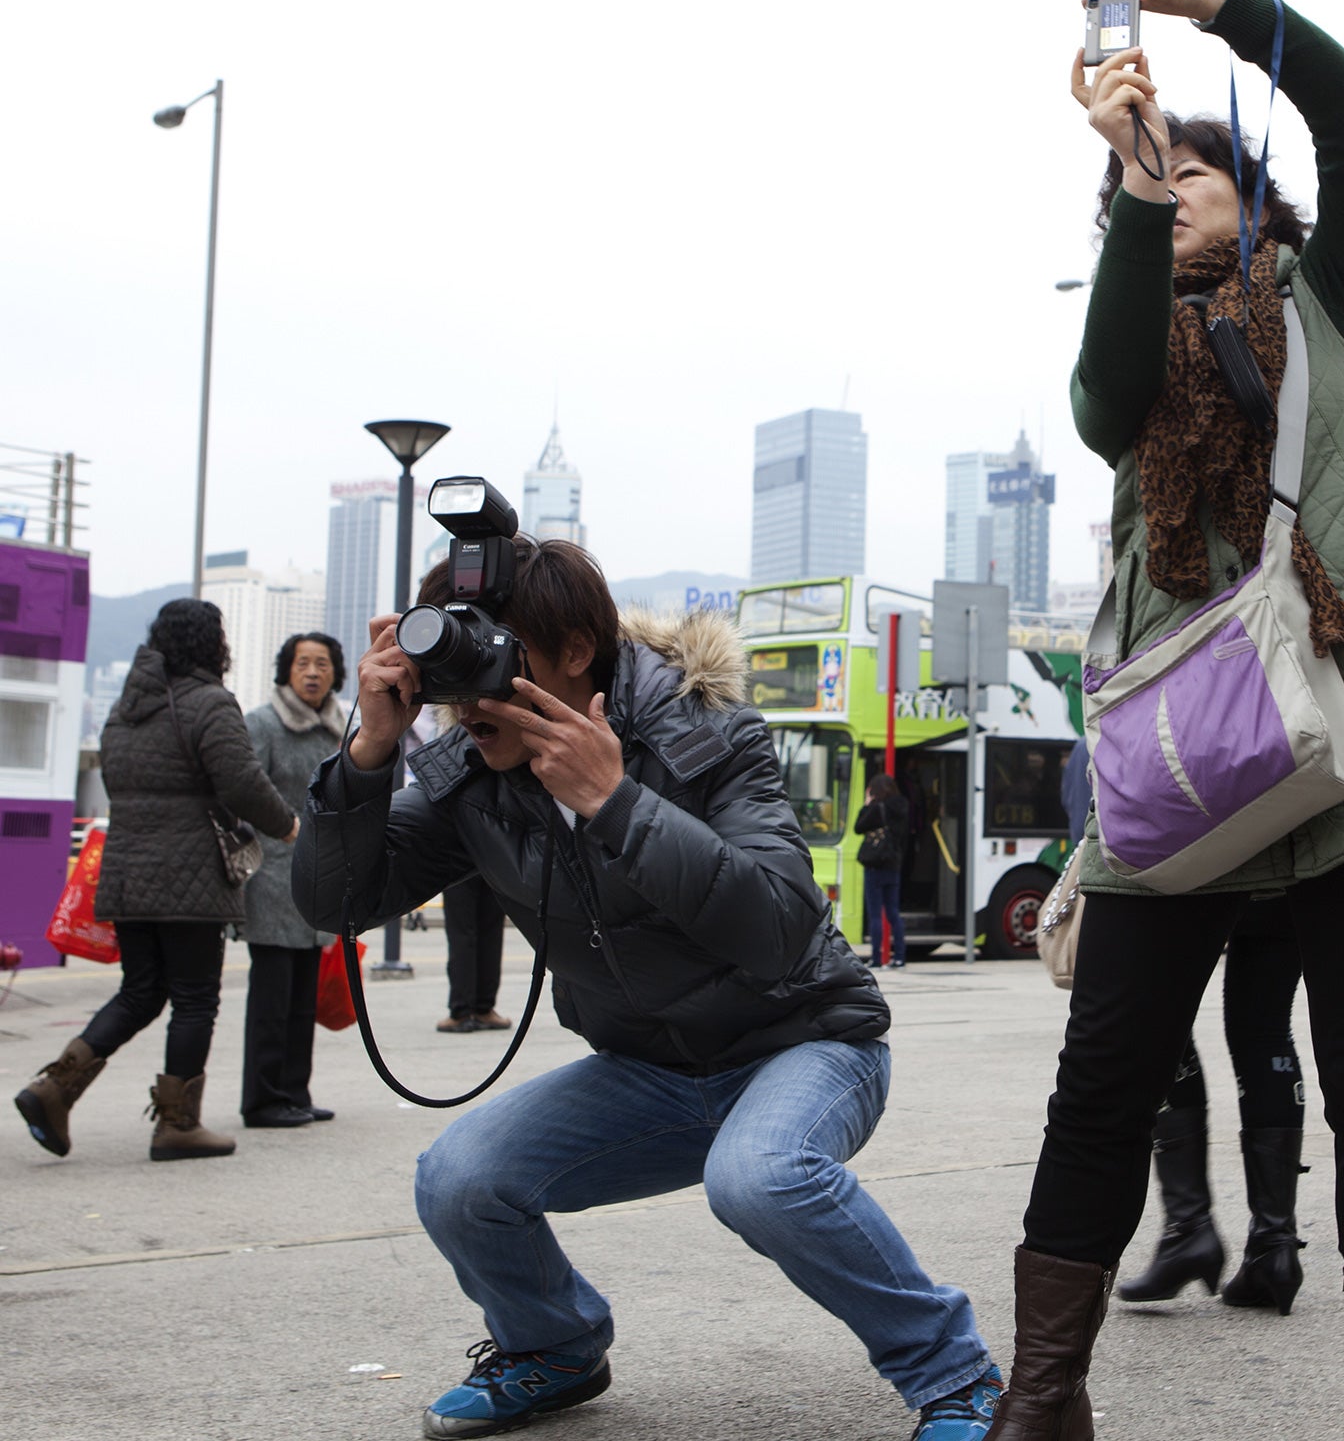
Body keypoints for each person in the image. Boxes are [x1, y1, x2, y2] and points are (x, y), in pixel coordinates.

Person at [986, 0, 1344, 1441]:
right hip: (1187, 752)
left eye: (1199, 173)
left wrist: (1221, 4)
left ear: (1258, 200)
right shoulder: (1133, 345)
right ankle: (1044, 1393)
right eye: (1149, 191)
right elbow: (1102, 404)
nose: (1172, 190)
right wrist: (1136, 184)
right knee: (1105, 1076)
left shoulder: (1330, 295)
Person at [294, 537, 1002, 1441]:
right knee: (457, 1178)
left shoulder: (704, 733)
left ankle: (958, 1378)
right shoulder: (473, 774)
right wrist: (368, 752)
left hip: (806, 1042)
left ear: (575, 652)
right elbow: (335, 901)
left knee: (760, 1177)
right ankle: (553, 1346)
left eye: (495, 663)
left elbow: (780, 923)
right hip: (651, 1069)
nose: (469, 701)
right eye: (455, 668)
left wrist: (616, 802)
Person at [14, 599, 299, 1162]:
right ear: (212, 643)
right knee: (195, 1000)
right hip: (189, 875)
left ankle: (54, 1086)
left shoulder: (125, 708)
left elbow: (118, 780)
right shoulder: (210, 702)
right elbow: (241, 781)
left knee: (142, 991)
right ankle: (177, 1124)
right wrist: (287, 826)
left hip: (128, 869)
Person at [1115, 899, 1306, 1314]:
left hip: (1196, 874)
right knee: (1266, 1031)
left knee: (1159, 1018)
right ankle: (1274, 1244)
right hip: (1285, 874)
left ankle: (1188, 1228)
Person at [238, 631, 350, 1128]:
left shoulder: (340, 725)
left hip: (317, 876)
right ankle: (262, 1100)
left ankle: (295, 1093)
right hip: (271, 876)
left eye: (322, 664)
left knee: (304, 997)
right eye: (302, 663)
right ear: (286, 670)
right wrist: (283, 829)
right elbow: (244, 792)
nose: (312, 673)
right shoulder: (262, 723)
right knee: (271, 998)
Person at [438, 875, 510, 1033]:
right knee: (491, 933)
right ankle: (484, 1008)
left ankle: (461, 1011)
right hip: (493, 866)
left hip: (458, 867)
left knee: (461, 934)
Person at [855, 773, 910, 968]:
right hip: (893, 865)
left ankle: (876, 958)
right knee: (894, 912)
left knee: (876, 914)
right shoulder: (902, 807)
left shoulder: (877, 809)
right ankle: (900, 957)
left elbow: (858, 827)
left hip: (875, 865)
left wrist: (867, 805)